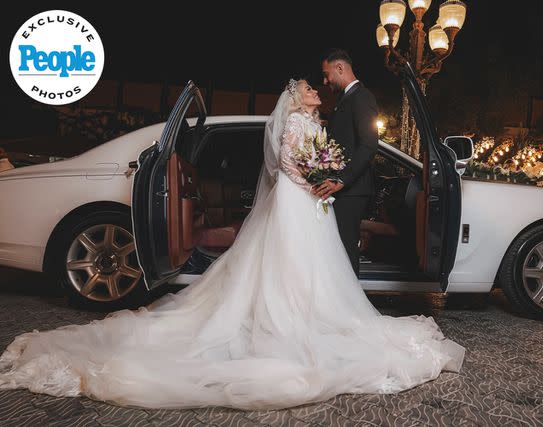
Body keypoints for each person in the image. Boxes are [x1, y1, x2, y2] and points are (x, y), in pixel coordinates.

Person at [0, 79, 464, 411]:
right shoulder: (295, 125)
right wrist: (320, 178)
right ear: (295, 98)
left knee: (311, 267)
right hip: (297, 198)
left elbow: (312, 158)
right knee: (289, 262)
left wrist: (326, 177)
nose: (315, 91)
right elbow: (287, 162)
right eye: (308, 89)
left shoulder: (312, 122)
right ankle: (288, 318)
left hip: (309, 202)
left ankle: (304, 313)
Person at [314, 49, 378, 276]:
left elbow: (369, 145)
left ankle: (350, 307)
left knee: (345, 248)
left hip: (351, 190)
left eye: (326, 74)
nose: (324, 81)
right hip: (341, 189)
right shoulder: (345, 99)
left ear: (340, 68)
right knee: (337, 249)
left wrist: (341, 179)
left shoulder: (362, 97)